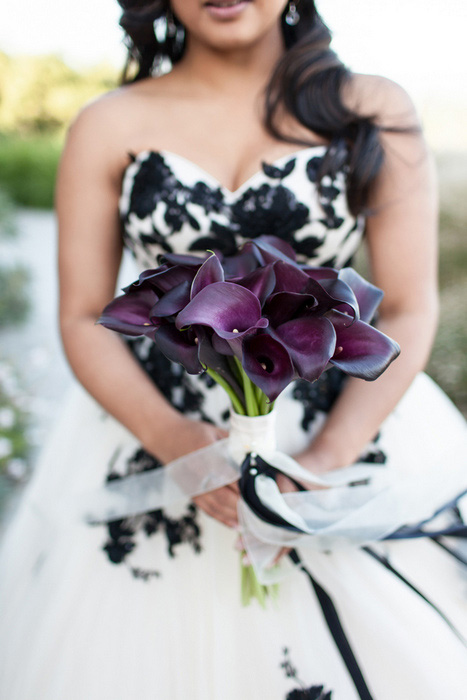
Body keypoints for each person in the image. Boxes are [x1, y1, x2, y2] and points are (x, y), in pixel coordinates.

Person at [1, 1, 466, 698]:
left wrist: (322, 463)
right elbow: (79, 315)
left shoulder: (371, 106)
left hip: (348, 429)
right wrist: (176, 443)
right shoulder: (107, 123)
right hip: (153, 428)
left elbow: (406, 305)